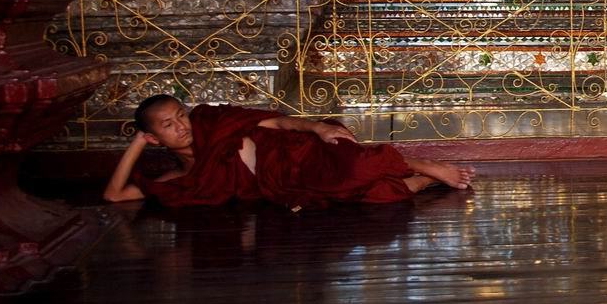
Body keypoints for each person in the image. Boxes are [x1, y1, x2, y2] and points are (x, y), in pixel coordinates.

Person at [103, 95, 475, 208]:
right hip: (283, 184)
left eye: (180, 115)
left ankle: (417, 162)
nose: (182, 126)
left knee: (354, 168)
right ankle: (423, 181)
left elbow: (276, 123)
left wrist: (319, 127)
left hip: (296, 151)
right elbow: (115, 194)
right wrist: (137, 141)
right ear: (154, 138)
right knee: (374, 194)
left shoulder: (210, 121)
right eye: (168, 125)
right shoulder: (182, 176)